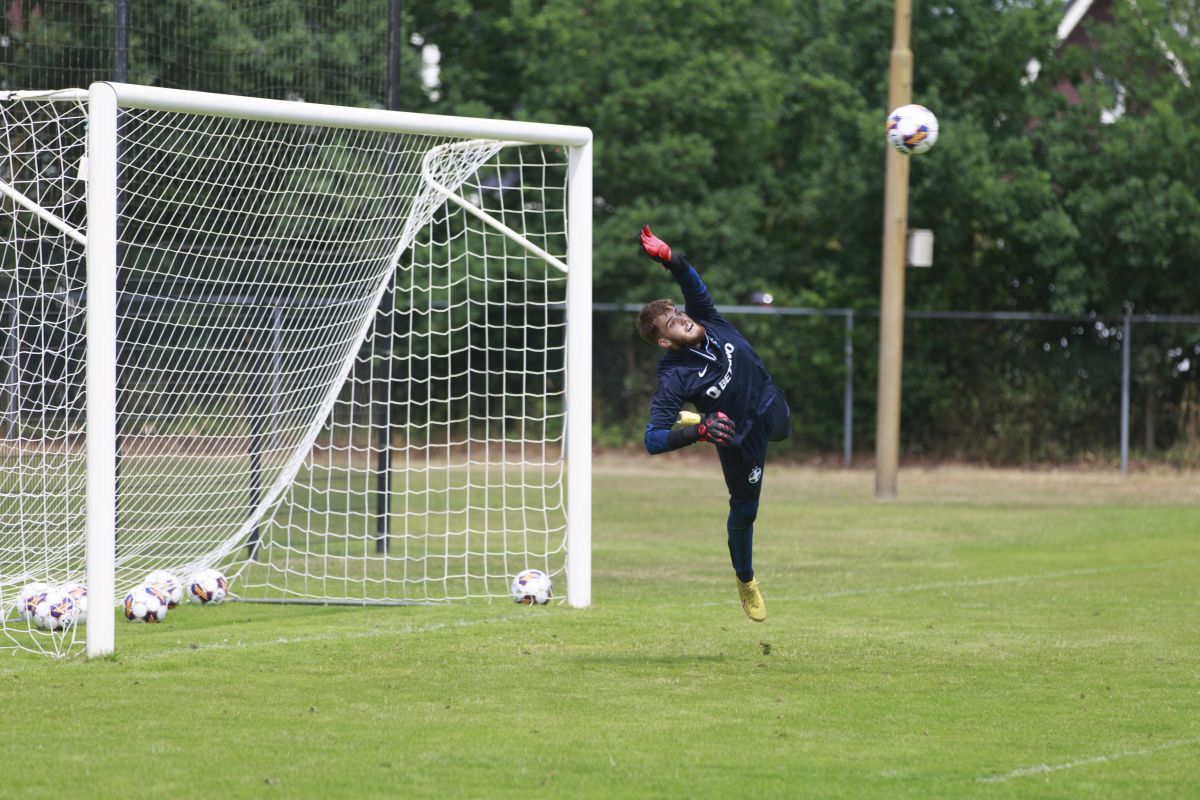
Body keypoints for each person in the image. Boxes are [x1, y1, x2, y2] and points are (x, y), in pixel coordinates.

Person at [636, 225, 792, 623]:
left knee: (784, 431)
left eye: (677, 313)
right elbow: (652, 440)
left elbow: (692, 281)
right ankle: (746, 580)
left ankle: (702, 414)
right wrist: (699, 432)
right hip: (736, 436)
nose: (680, 319)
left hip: (769, 401)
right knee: (745, 512)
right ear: (664, 342)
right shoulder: (673, 375)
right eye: (671, 323)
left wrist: (670, 258)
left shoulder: (706, 317)